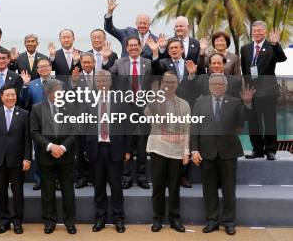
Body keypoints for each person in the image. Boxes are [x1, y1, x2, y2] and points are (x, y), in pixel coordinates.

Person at [191, 74, 255, 235]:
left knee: (229, 189)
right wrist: (194, 149)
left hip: (228, 152)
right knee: (209, 189)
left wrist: (247, 103)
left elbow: (244, 120)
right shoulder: (200, 102)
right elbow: (194, 128)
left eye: (220, 83)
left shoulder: (235, 102)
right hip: (206, 152)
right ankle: (212, 221)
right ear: (209, 86)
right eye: (214, 83)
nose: (217, 86)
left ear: (226, 86)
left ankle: (229, 222)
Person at [0, 85, 32, 234]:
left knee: (17, 192)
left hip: (17, 160)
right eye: (7, 95)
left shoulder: (24, 114)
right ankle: (4, 221)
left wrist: (27, 158)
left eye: (13, 95)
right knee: (0, 192)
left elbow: (27, 139)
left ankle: (17, 221)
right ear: (2, 96)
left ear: (16, 96)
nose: (10, 98)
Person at [31, 79, 77, 234]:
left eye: (61, 91)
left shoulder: (70, 107)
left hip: (66, 154)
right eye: (56, 92)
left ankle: (70, 222)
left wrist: (63, 147)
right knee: (48, 192)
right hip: (46, 155)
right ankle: (49, 222)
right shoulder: (37, 109)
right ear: (48, 93)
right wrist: (51, 147)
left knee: (68, 191)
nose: (60, 94)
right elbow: (34, 132)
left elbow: (75, 130)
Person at [87, 71, 131, 234]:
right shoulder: (90, 101)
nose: (102, 82)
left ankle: (118, 219)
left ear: (110, 82)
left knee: (116, 186)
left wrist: (127, 149)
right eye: (99, 80)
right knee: (98, 187)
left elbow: (128, 126)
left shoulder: (120, 100)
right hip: (96, 149)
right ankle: (100, 218)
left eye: (105, 79)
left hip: (116, 149)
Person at [145, 72, 189, 233]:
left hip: (177, 151)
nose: (169, 84)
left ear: (177, 83)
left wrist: (186, 151)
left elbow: (187, 129)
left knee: (174, 187)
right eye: (166, 82)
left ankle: (174, 219)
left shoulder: (184, 104)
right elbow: (147, 114)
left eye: (172, 81)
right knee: (158, 187)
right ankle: (157, 219)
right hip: (158, 149)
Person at [108, 36, 153, 190]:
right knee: (125, 144)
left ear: (140, 46)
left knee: (141, 145)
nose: (133, 48)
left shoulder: (148, 63)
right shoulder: (119, 63)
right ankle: (126, 177)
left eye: (136, 45)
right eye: (130, 46)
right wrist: (107, 59)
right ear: (126, 48)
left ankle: (141, 177)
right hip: (125, 109)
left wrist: (157, 52)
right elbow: (108, 77)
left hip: (143, 109)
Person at [240, 22, 287, 160]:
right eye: (254, 31)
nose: (256, 33)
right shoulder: (245, 48)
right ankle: (257, 149)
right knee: (254, 122)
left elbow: (282, 58)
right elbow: (245, 70)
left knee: (269, 122)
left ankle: (271, 150)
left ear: (265, 32)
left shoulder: (271, 46)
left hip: (268, 92)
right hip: (252, 92)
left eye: (259, 31)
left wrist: (275, 44)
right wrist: (247, 91)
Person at [20, 56, 56, 190]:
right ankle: (40, 179)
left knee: (55, 150)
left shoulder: (59, 83)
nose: (43, 68)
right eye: (40, 67)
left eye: (46, 66)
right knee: (39, 152)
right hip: (37, 124)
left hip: (55, 123)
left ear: (50, 68)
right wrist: (24, 85)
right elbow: (24, 100)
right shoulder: (31, 83)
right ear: (37, 69)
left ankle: (55, 179)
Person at [69, 52, 98, 189]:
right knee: (79, 151)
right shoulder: (75, 77)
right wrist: (74, 82)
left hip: (97, 120)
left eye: (89, 62)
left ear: (94, 63)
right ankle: (81, 178)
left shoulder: (100, 77)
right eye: (84, 62)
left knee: (94, 150)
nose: (87, 65)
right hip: (80, 120)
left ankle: (94, 176)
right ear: (80, 63)